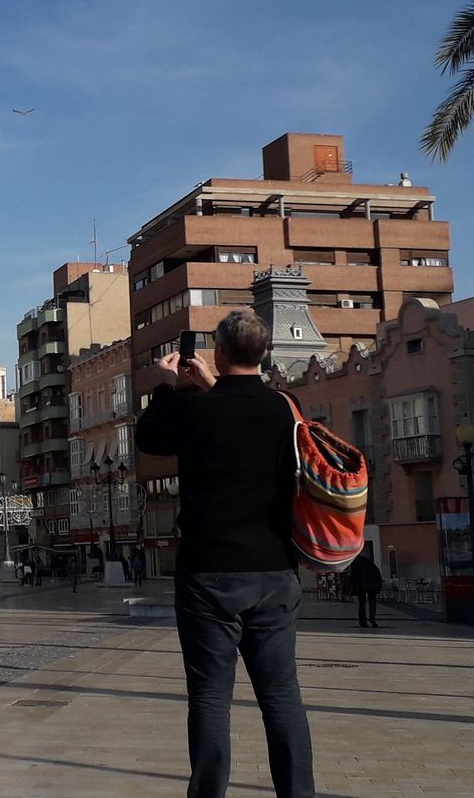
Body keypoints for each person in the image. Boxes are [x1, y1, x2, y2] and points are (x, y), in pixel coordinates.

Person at [136, 310, 314, 798]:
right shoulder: (285, 407)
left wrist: (168, 385)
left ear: (218, 351)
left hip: (208, 573)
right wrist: (212, 383)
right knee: (282, 698)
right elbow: (244, 412)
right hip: (276, 570)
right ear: (262, 355)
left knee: (211, 699)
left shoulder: (195, 410)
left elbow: (149, 438)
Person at [349, 553, 383, 628]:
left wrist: (354, 591)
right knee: (372, 602)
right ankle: (372, 618)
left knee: (362, 603)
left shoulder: (355, 563)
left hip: (362, 585)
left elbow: (353, 577)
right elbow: (376, 573)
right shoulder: (368, 562)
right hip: (371, 584)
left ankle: (363, 621)